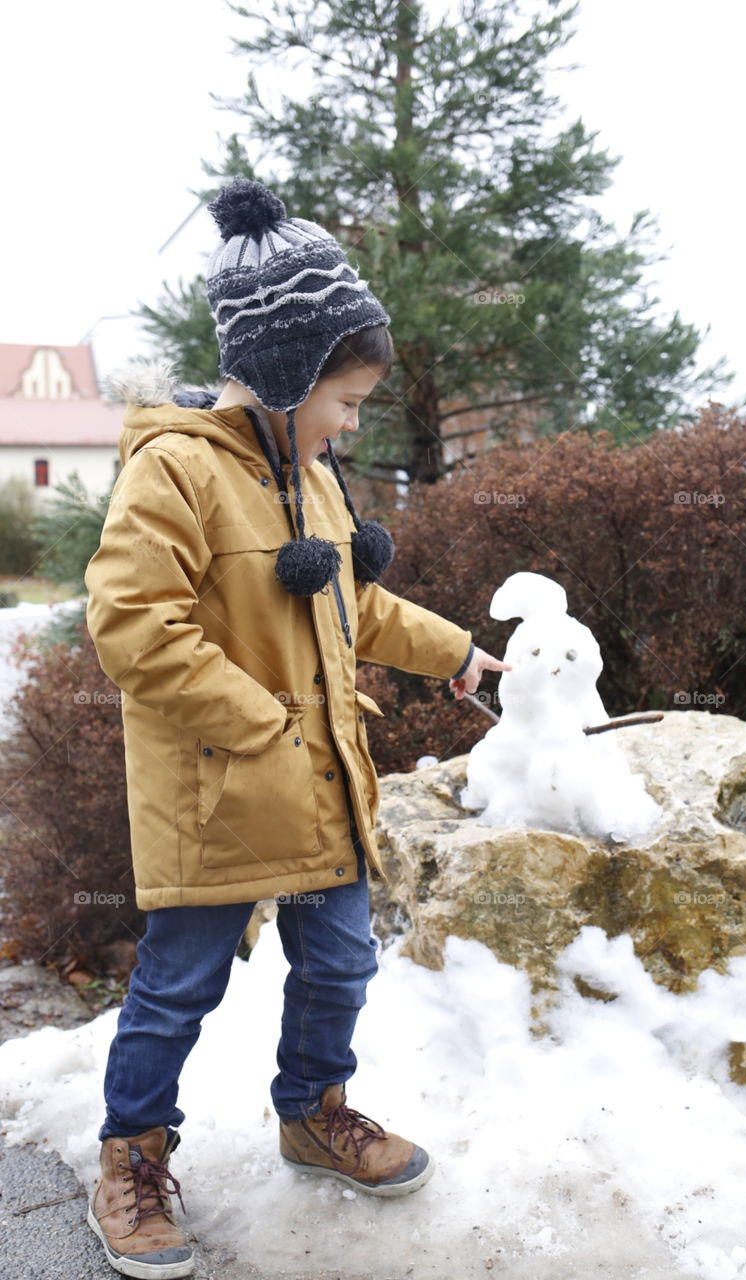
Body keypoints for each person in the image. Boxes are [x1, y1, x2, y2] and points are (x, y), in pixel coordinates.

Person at [83, 177, 509, 1279]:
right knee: (179, 981)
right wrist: (257, 716)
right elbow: (133, 625)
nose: (353, 422)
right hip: (218, 789)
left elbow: (354, 607)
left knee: (338, 967)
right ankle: (132, 1153)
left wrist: (455, 650)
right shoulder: (172, 468)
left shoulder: (313, 483)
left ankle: (313, 1109)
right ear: (283, 372)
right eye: (347, 398)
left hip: (321, 781)